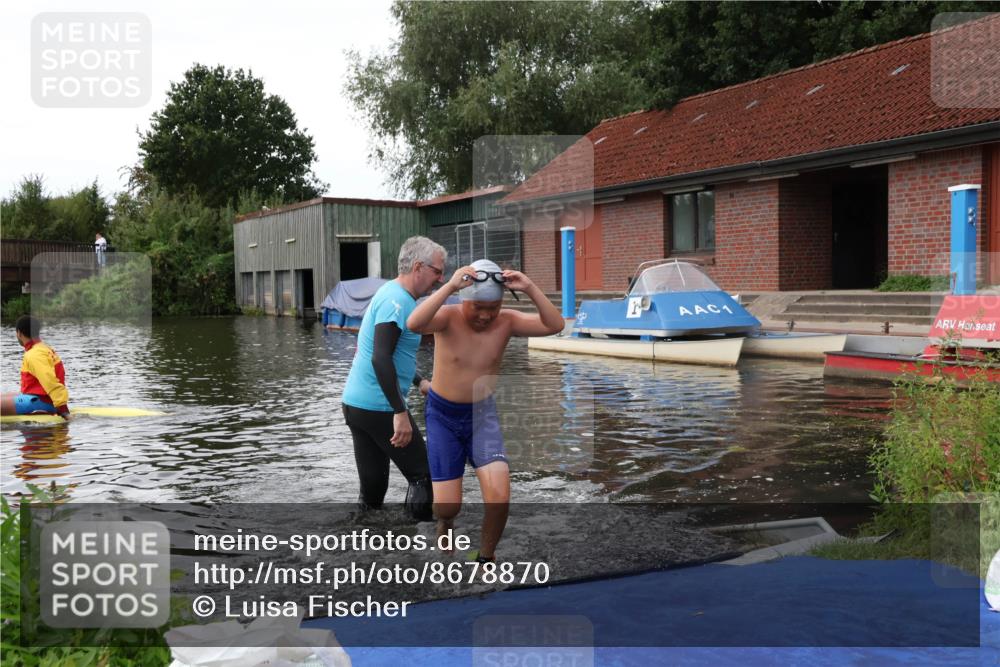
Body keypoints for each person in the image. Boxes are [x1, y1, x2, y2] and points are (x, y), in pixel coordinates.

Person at [406, 259, 564, 561]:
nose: (484, 315)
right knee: (447, 506)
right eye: (477, 307)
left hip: (482, 416)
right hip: (442, 416)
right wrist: (450, 286)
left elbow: (554, 325)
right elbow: (414, 323)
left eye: (492, 308)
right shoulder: (448, 317)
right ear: (464, 299)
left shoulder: (507, 321)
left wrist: (529, 287)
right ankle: (446, 522)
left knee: (499, 496)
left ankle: (486, 557)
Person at [340, 236, 446, 521]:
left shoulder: (392, 293)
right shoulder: (397, 301)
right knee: (424, 476)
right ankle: (420, 548)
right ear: (418, 267)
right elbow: (380, 357)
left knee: (373, 492)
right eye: (437, 271)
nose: (440, 278)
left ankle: (364, 544)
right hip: (380, 407)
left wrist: (420, 381)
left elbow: (394, 355)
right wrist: (400, 411)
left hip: (356, 405)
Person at [0, 315, 70, 419]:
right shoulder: (43, 348)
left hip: (43, 402)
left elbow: (49, 381)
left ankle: (45, 410)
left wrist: (63, 409)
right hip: (40, 398)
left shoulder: (35, 354)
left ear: (19, 333)